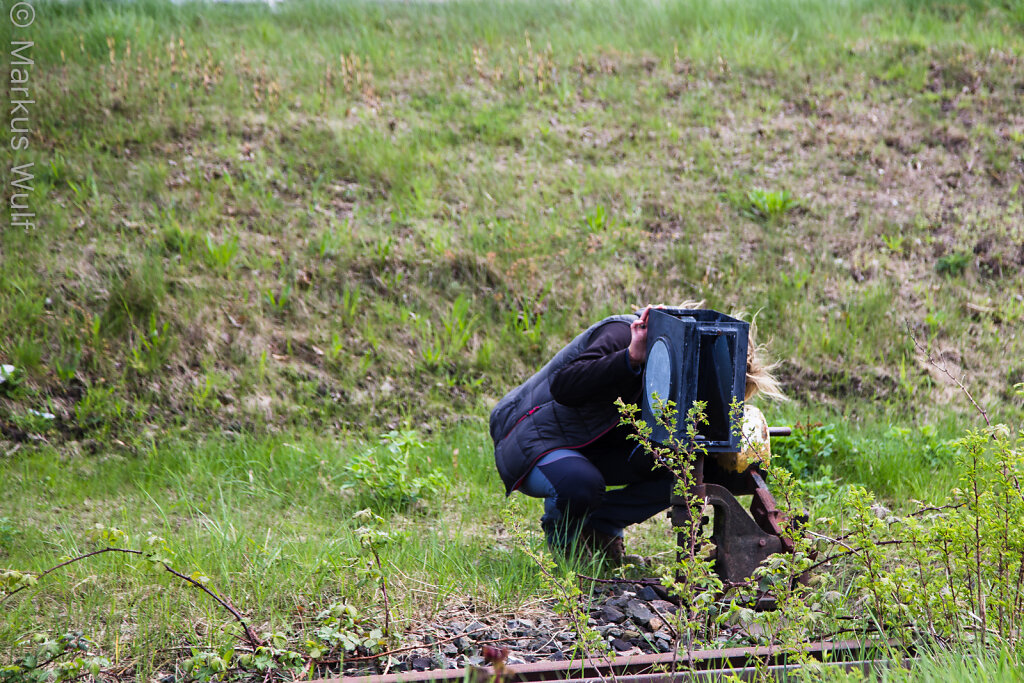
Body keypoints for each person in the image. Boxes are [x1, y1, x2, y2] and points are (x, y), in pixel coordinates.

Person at [489, 304, 783, 562]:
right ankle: (565, 550)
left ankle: (601, 526)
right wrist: (629, 357)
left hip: (589, 448)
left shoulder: (680, 384)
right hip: (532, 438)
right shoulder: (622, 333)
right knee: (580, 484)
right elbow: (564, 386)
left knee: (683, 469)